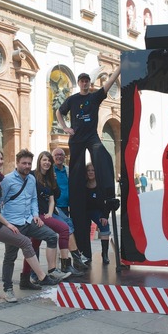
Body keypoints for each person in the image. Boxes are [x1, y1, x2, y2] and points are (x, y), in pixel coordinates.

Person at [0, 149, 58, 310]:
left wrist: (34, 215)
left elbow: (29, 200)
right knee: (24, 243)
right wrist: (8, 223)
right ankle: (40, 277)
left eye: (1, 159)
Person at [56, 69, 121, 259]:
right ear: (78, 83)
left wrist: (118, 69)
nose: (84, 83)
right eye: (82, 81)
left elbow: (107, 84)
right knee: (76, 171)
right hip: (76, 139)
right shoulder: (72, 99)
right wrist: (66, 128)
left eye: (86, 81)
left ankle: (109, 193)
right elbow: (59, 112)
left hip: (92, 137)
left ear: (88, 83)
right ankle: (75, 196)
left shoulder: (94, 98)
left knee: (103, 156)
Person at [1, 149, 69, 303]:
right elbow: (0, 202)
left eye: (28, 163)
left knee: (51, 236)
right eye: (23, 163)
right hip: (13, 224)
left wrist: (36, 215)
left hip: (29, 220)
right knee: (10, 256)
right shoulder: (7, 180)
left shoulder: (31, 179)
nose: (26, 166)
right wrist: (5, 223)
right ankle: (8, 289)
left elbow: (33, 200)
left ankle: (51, 271)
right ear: (17, 163)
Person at [19, 151, 83, 286]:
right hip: (36, 215)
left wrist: (49, 212)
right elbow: (30, 197)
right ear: (39, 161)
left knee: (34, 244)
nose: (47, 162)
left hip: (45, 214)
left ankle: (31, 276)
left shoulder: (49, 178)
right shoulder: (32, 176)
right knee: (56, 233)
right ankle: (48, 271)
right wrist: (34, 215)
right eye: (44, 160)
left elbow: (54, 197)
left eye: (49, 161)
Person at [52, 147, 89, 270]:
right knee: (67, 228)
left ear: (64, 157)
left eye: (61, 155)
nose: (59, 157)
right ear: (53, 157)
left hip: (67, 205)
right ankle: (72, 259)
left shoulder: (68, 170)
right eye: (56, 155)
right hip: (55, 206)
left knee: (64, 232)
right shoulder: (50, 171)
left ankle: (65, 259)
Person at [85, 162, 112, 264]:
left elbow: (108, 202)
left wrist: (105, 216)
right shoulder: (83, 184)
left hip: (98, 211)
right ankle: (86, 255)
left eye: (93, 170)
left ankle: (104, 254)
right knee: (83, 229)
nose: (91, 172)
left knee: (105, 225)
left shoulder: (101, 185)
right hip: (85, 211)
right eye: (88, 170)